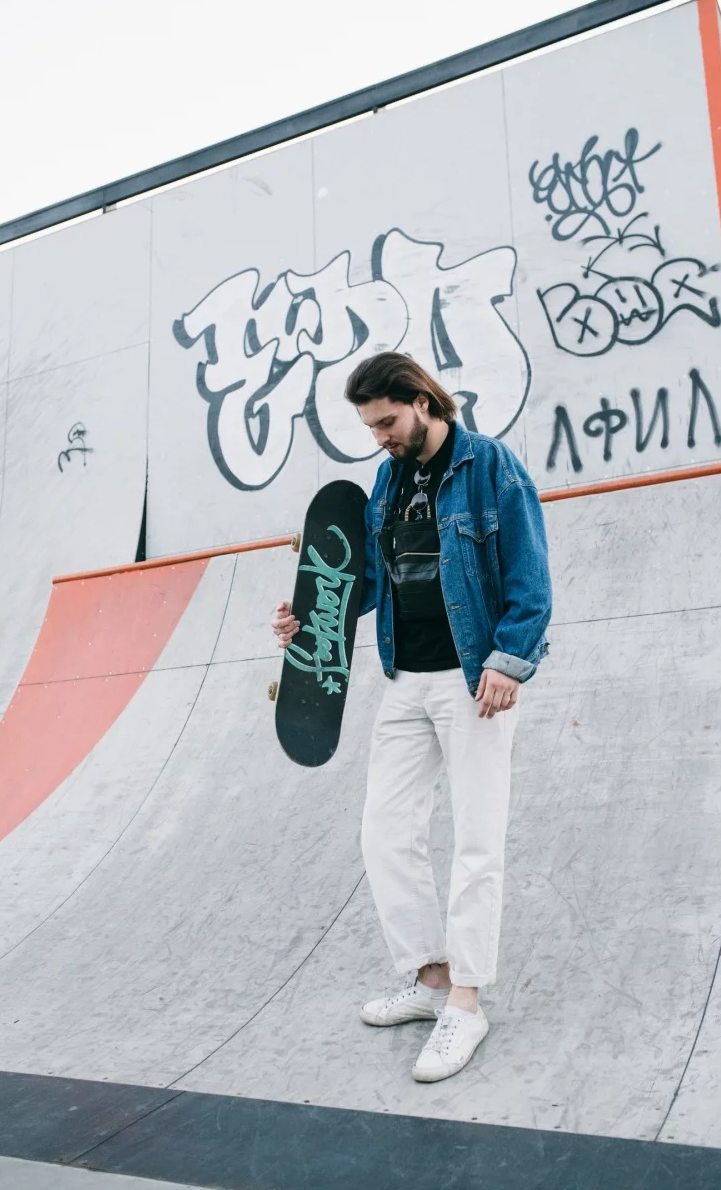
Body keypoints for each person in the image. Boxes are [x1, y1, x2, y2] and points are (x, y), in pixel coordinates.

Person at [272, 352, 552, 1083]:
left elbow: (530, 576)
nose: (380, 437)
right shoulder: (388, 481)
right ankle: (430, 978)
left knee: (476, 840)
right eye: (371, 427)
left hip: (473, 679)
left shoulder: (490, 467)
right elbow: (372, 582)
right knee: (386, 831)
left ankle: (466, 1002)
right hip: (406, 679)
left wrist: (509, 659)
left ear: (423, 401)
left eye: (388, 422)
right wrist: (313, 615)